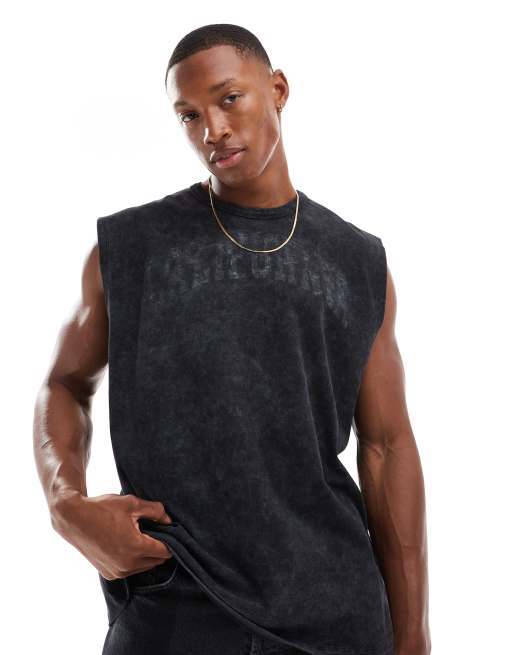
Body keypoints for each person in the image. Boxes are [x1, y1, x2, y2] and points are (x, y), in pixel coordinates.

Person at [33, 23, 431, 655]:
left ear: (278, 90)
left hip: (334, 614)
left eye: (229, 99)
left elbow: (386, 446)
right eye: (189, 115)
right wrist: (66, 504)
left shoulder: (357, 261)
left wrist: (412, 636)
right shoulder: (131, 247)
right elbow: (65, 383)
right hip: (174, 603)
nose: (211, 130)